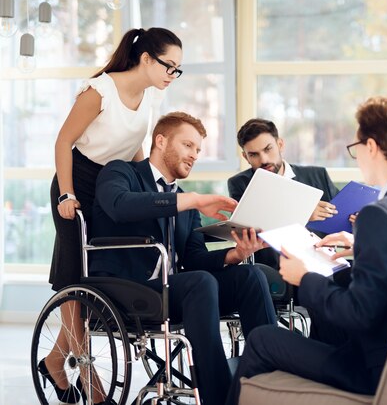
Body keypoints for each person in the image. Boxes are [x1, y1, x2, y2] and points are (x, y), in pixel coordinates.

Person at [225, 96, 387, 404]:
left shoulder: (381, 214)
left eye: (355, 148)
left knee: (262, 339)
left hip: (377, 369)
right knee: (338, 284)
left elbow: (358, 314)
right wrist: (361, 246)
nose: (356, 157)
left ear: (371, 147)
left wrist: (305, 277)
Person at [90, 111, 277, 404]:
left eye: (198, 150)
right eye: (188, 145)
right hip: (123, 290)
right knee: (200, 284)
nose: (194, 155)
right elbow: (120, 206)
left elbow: (195, 259)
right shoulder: (121, 173)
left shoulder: (186, 200)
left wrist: (236, 254)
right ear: (161, 141)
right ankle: (218, 398)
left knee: (251, 276)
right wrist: (192, 201)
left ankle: (270, 383)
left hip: (171, 292)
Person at [42, 27, 183, 405]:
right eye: (170, 66)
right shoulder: (100, 91)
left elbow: (134, 147)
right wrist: (68, 194)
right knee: (77, 278)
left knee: (96, 279)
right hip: (76, 185)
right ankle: (93, 386)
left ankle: (56, 362)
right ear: (147, 59)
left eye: (177, 70)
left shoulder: (147, 97)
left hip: (109, 189)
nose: (173, 75)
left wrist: (146, 187)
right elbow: (63, 141)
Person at [227, 118, 340, 268]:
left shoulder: (318, 175)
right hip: (274, 269)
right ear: (245, 157)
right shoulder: (240, 184)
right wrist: (303, 213)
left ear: (280, 144)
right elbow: (251, 231)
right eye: (254, 154)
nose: (264, 159)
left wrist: (356, 216)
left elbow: (340, 216)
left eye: (268, 149)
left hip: (322, 264)